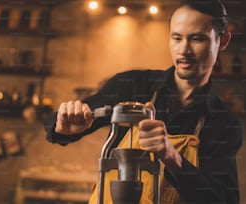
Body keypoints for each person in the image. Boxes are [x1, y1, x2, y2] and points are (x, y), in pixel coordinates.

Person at [44, 0, 243, 203]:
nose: (184, 50)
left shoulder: (223, 124)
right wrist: (62, 126)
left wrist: (171, 156)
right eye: (176, 38)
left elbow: (223, 199)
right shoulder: (132, 85)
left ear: (223, 40)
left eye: (197, 39)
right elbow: (54, 124)